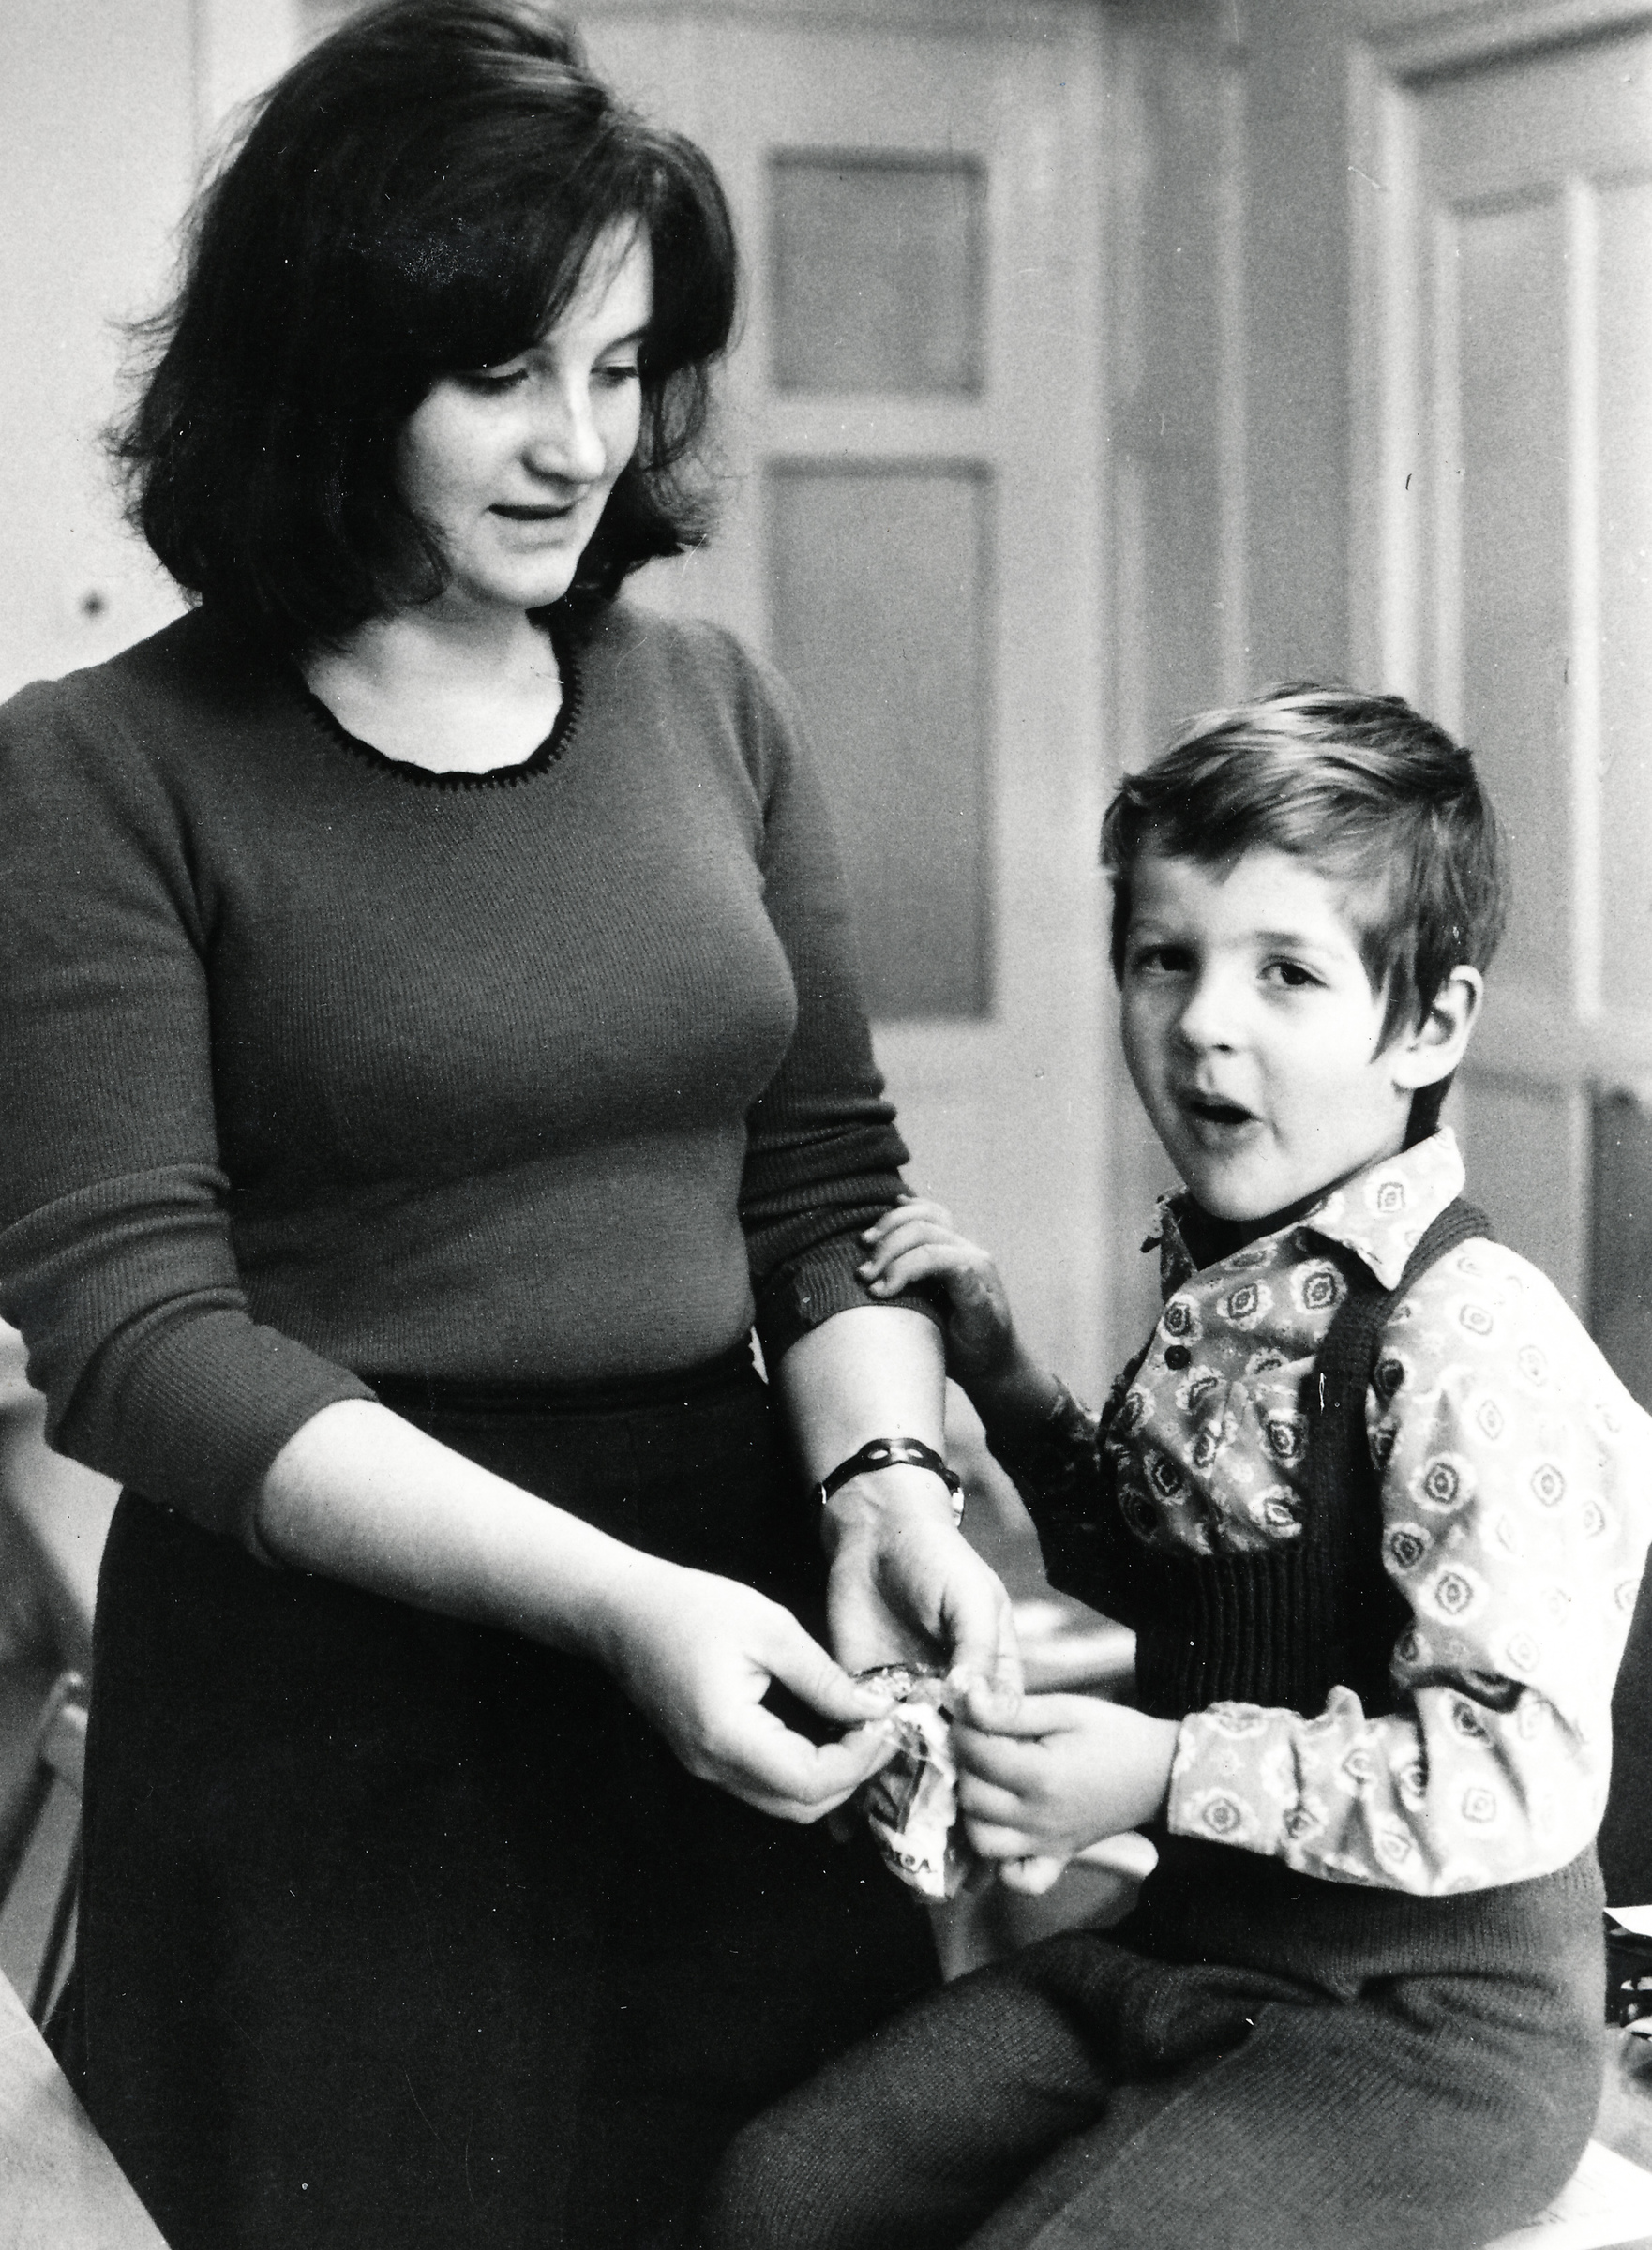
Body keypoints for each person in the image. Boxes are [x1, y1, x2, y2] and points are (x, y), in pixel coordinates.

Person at [0, 6, 1018, 2245]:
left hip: (725, 1608)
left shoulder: (713, 703)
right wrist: (611, 1605)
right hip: (339, 1663)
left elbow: (822, 1191)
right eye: (501, 375)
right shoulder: (97, 766)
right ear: (328, 368)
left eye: (624, 369)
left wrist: (879, 1485)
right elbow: (135, 1335)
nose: (582, 445)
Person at [696, 686, 1652, 2250]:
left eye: (1285, 972)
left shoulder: (1468, 1338)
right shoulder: (1239, 1280)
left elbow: (1510, 1778)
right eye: (1163, 958)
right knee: (783, 2190)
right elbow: (1170, 1586)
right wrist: (1007, 1384)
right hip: (1190, 1958)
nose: (1203, 1020)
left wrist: (1154, 1772)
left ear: (1427, 1024)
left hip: (1424, 2040)